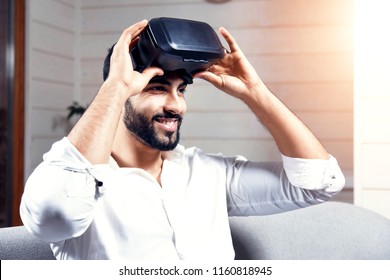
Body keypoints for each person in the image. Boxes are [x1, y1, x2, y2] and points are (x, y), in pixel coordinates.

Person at [20, 19, 345, 260]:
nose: (175, 105)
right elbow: (56, 215)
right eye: (158, 88)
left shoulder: (208, 173)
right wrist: (115, 88)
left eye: (181, 90)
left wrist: (256, 94)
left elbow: (318, 183)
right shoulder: (74, 183)